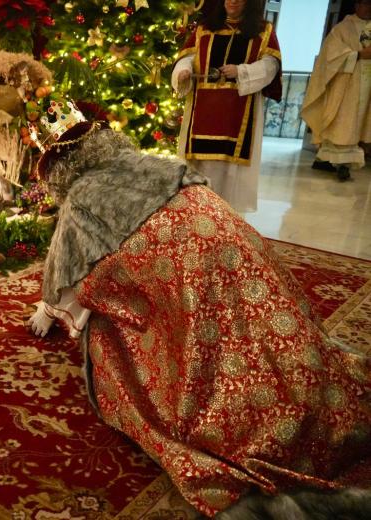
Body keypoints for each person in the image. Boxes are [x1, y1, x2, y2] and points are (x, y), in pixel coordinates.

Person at [27, 113, 371, 518]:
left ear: (58, 172)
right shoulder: (160, 163)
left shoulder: (80, 200)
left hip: (191, 304)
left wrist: (49, 308)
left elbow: (69, 290)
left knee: (106, 337)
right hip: (250, 271)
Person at [171, 0, 282, 213]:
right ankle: (199, 212)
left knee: (231, 171)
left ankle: (228, 217)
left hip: (240, 110)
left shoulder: (263, 30)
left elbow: (270, 65)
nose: (233, 1)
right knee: (201, 166)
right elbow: (187, 59)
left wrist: (241, 71)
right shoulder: (204, 29)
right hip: (203, 110)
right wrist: (183, 72)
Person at [302, 0, 371, 182]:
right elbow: (331, 54)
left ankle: (342, 164)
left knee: (359, 126)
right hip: (346, 87)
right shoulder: (343, 28)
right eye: (364, 3)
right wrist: (359, 54)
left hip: (367, 84)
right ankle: (339, 165)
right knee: (342, 124)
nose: (368, 8)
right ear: (356, 5)